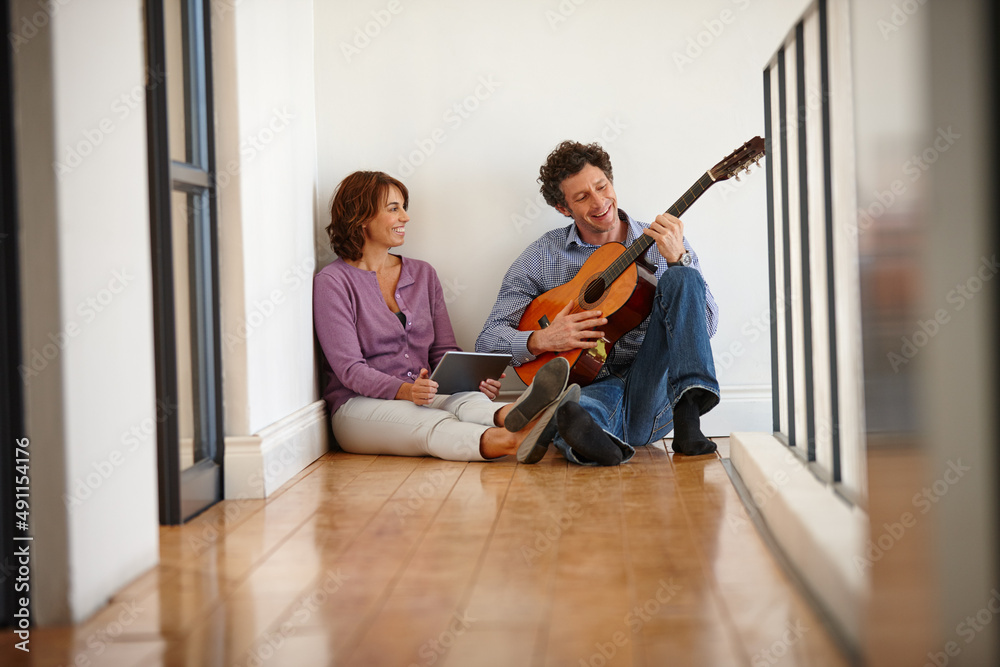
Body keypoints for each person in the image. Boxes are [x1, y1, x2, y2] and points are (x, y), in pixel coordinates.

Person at [476, 141, 720, 465]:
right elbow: (487, 342)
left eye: (602, 186)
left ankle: (690, 416)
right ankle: (595, 443)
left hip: (655, 388)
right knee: (567, 414)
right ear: (564, 209)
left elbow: (706, 326)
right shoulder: (543, 256)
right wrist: (541, 339)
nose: (600, 201)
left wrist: (679, 259)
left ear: (611, 181)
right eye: (582, 197)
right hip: (592, 388)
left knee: (681, 278)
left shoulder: (663, 240)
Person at [314, 170, 578, 463]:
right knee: (428, 425)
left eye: (404, 207)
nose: (405, 217)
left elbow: (442, 352)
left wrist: (471, 380)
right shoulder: (333, 282)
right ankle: (512, 440)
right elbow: (350, 369)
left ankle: (517, 413)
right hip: (357, 407)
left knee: (469, 400)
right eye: (394, 209)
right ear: (360, 217)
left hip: (424, 392)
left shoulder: (422, 274)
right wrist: (404, 390)